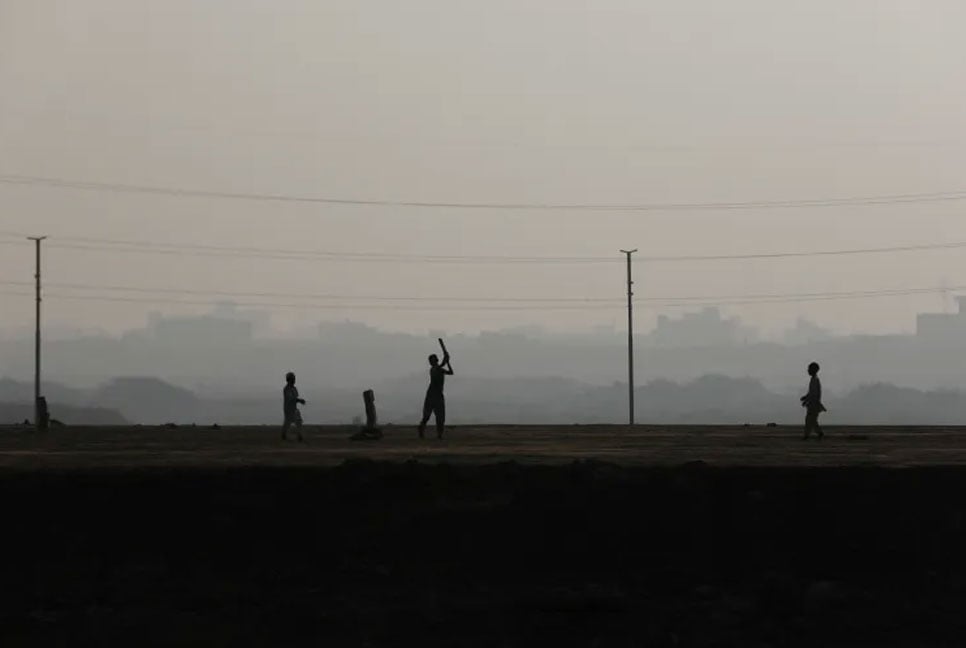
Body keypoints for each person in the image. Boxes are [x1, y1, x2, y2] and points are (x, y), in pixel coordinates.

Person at [418, 350, 454, 439]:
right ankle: (421, 430)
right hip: (431, 395)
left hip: (438, 395)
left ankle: (439, 434)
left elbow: (451, 372)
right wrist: (446, 361)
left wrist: (447, 362)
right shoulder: (434, 370)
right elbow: (440, 369)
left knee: (440, 417)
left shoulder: (439, 369)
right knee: (427, 416)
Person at [800, 362, 826, 440]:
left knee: (809, 420)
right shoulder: (814, 379)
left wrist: (806, 400)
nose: (808, 370)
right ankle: (819, 433)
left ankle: (807, 435)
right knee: (813, 421)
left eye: (809, 369)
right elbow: (811, 392)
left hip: (813, 404)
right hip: (813, 404)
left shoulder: (815, 380)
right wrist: (805, 397)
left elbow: (813, 394)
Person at [282, 371, 306, 442]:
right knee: (288, 423)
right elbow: (291, 398)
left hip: (294, 409)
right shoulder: (286, 389)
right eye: (292, 379)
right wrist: (299, 400)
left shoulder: (294, 388)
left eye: (294, 379)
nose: (294, 380)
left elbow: (295, 398)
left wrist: (299, 400)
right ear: (289, 380)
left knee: (298, 421)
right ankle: (284, 434)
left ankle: (300, 436)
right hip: (288, 409)